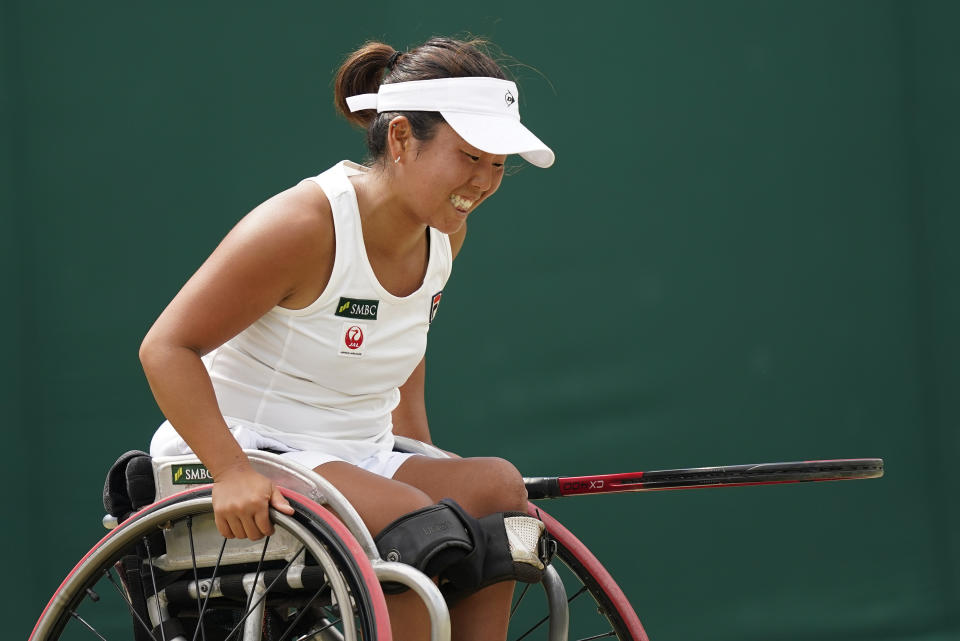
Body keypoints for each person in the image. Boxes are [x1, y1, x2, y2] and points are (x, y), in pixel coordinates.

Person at [139, 36, 555, 641]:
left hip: (354, 453)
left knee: (495, 488)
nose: (484, 182)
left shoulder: (444, 232)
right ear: (402, 140)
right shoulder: (303, 225)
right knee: (425, 530)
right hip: (243, 454)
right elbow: (165, 348)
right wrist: (228, 469)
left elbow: (403, 344)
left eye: (497, 164)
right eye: (470, 156)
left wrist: (418, 455)